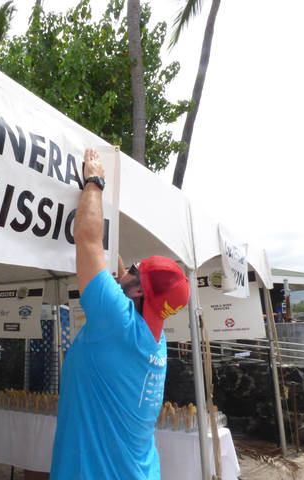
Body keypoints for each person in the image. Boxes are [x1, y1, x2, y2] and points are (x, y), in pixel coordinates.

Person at [50, 148, 191, 479]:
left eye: (134, 270)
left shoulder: (117, 322)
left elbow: (87, 240)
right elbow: (117, 271)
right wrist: (107, 211)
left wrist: (95, 183)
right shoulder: (155, 341)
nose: (125, 270)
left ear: (140, 292)